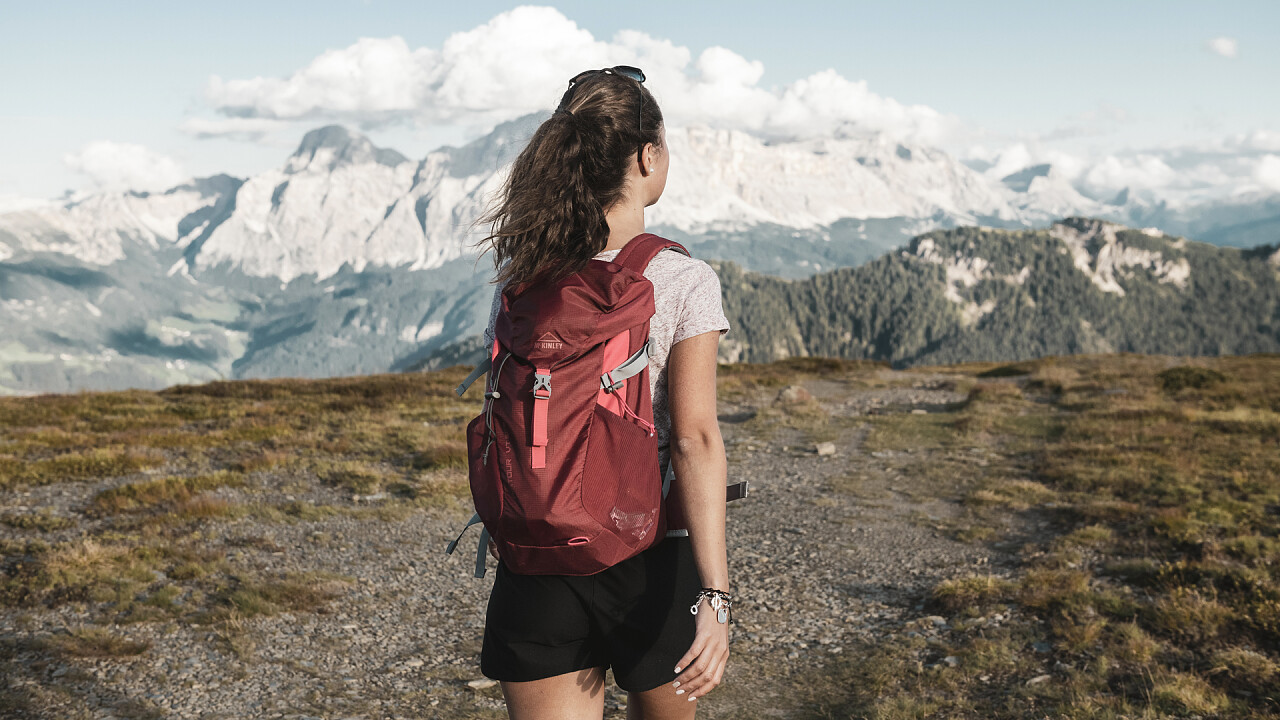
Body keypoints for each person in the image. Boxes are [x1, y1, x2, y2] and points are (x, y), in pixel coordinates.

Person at [471, 65, 733, 719]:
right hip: (649, 553)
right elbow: (696, 440)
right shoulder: (683, 278)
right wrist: (717, 595)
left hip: (538, 555)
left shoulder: (526, 277)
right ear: (647, 157)